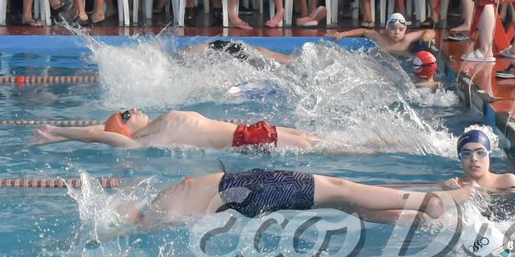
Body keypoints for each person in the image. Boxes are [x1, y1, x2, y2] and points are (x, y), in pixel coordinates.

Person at [116, 168, 468, 234]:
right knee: (341, 188)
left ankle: (413, 219)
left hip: (247, 194)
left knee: (344, 203)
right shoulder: (161, 207)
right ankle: (429, 203)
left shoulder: (162, 209)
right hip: (252, 187)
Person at [29, 106, 326, 151]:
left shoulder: (156, 127)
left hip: (251, 132)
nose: (133, 109)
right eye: (127, 115)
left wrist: (56, 133)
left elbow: (104, 129)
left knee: (322, 140)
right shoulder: (148, 139)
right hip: (250, 139)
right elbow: (102, 134)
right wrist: (58, 131)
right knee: (328, 146)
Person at [440, 127, 515, 190]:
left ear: (489, 156)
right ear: (460, 158)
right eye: (467, 154)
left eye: (480, 153)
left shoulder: (507, 181)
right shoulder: (455, 185)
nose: (474, 159)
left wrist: (480, 189)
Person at [332, 11, 437, 55]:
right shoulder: (381, 39)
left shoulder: (406, 40)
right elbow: (364, 31)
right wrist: (343, 34)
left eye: (401, 29)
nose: (397, 32)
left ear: (405, 30)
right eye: (393, 29)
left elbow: (430, 31)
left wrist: (426, 37)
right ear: (386, 29)